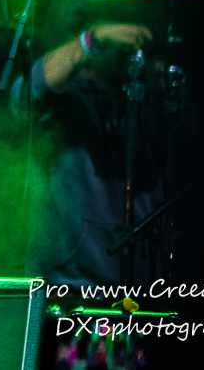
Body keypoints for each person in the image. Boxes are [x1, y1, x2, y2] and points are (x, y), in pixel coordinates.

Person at [12, 19, 188, 289]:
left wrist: (161, 75)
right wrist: (93, 39)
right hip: (71, 280)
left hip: (143, 280)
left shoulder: (142, 92)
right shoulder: (67, 93)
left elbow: (189, 134)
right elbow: (26, 91)